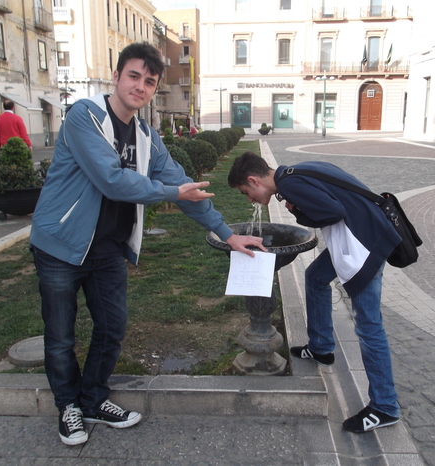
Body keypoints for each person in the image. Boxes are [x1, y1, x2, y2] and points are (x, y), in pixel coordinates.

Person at [29, 42, 265, 446]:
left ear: (154, 90)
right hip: (60, 245)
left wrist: (227, 233)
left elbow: (182, 186)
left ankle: (93, 400)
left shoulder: (145, 136)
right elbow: (112, 180)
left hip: (106, 248)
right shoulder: (84, 116)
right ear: (116, 77)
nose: (140, 86)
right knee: (61, 336)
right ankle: (68, 406)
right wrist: (172, 193)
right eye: (134, 76)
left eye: (150, 81)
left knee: (112, 329)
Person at [227, 151, 402, 434]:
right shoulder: (295, 172)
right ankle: (321, 347)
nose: (250, 200)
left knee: (369, 326)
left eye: (246, 193)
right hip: (360, 234)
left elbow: (332, 213)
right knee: (316, 277)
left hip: (365, 245)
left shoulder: (289, 185)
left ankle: (385, 406)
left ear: (253, 180)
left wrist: (297, 210)